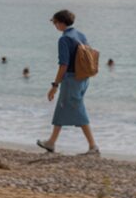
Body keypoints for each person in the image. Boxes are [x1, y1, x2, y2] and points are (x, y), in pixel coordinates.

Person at [37, 9, 99, 155]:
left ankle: (93, 146)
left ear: (60, 22)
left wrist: (55, 85)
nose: (54, 25)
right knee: (61, 108)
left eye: (54, 22)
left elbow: (63, 64)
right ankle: (51, 142)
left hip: (72, 79)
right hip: (84, 78)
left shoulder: (64, 39)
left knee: (78, 109)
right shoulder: (80, 35)